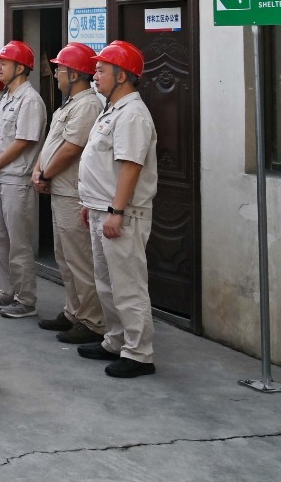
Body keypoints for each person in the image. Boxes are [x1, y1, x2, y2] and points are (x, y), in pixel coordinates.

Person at [78, 41, 159, 379]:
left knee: (128, 286)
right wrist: (92, 203)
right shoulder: (112, 109)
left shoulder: (133, 114)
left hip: (121, 214)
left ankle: (139, 353)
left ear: (122, 75)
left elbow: (130, 166)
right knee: (106, 283)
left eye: (101, 70)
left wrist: (115, 210)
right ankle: (115, 340)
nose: (94, 75)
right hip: (103, 208)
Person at [33, 43, 106, 345]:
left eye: (60, 69)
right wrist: (39, 169)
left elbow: (71, 149)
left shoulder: (87, 105)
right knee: (64, 257)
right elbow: (52, 143)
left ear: (74, 74)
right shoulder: (69, 104)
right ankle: (74, 311)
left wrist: (45, 173)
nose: (56, 74)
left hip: (72, 192)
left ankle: (92, 321)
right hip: (59, 189)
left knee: (79, 259)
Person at [0, 40, 47, 320]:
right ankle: (7, 291)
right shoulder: (6, 97)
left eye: (4, 63)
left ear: (20, 68)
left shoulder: (30, 100)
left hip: (16, 180)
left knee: (19, 243)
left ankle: (26, 299)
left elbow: (23, 141)